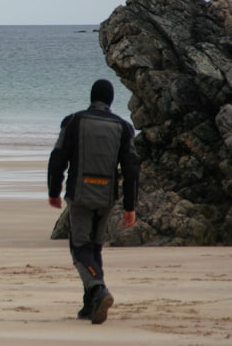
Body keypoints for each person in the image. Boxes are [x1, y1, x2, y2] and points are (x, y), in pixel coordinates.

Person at [47, 79, 139, 324]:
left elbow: (57, 158)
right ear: (110, 100)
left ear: (91, 98)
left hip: (80, 194)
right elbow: (131, 169)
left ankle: (98, 289)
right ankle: (90, 305)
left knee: (80, 248)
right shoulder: (123, 127)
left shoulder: (74, 121)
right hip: (106, 196)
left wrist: (53, 191)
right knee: (95, 247)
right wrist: (130, 206)